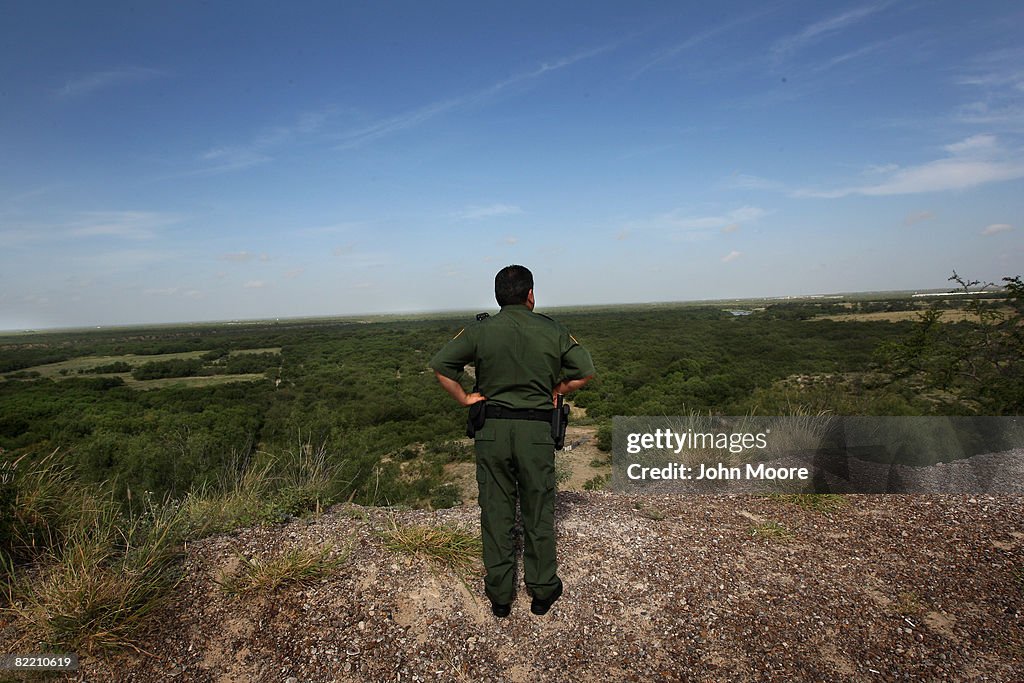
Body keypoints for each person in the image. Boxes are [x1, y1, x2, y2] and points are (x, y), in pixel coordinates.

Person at [429, 265, 595, 618]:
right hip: (536, 433)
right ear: (530, 295)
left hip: (492, 432)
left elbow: (443, 366)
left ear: (498, 296)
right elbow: (585, 371)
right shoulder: (552, 330)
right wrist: (557, 389)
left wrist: (464, 398)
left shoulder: (480, 330)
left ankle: (501, 597)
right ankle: (542, 591)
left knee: (496, 511)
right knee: (538, 511)